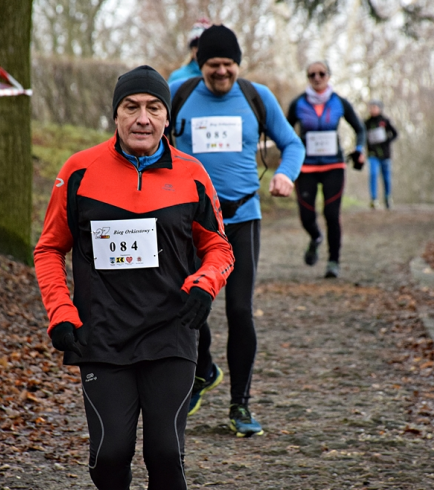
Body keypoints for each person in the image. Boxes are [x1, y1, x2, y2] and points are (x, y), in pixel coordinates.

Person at [33, 65, 234, 490]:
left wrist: (205, 284)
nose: (142, 118)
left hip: (171, 331)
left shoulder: (192, 173)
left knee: (165, 454)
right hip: (103, 336)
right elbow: (49, 248)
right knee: (109, 456)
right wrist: (61, 311)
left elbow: (219, 247)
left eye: (153, 108)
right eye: (131, 107)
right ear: (116, 114)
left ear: (167, 117)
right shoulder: (78, 171)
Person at [169, 25, 305, 437]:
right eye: (214, 65)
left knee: (240, 310)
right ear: (200, 63)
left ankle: (240, 406)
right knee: (191, 305)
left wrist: (286, 174)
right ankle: (204, 370)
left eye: (229, 64)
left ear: (238, 64)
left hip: (243, 217)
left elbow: (292, 143)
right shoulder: (180, 96)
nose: (222, 72)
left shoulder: (256, 97)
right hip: (191, 220)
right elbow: (157, 147)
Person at [287, 61, 366, 278]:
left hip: (334, 166)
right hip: (306, 168)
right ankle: (315, 237)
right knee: (306, 216)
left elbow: (359, 129)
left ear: (329, 76)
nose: (317, 78)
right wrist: (289, 154)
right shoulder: (298, 104)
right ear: (308, 78)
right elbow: (284, 130)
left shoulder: (339, 102)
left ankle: (333, 261)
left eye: (322, 73)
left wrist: (359, 149)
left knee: (332, 214)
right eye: (312, 74)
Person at [364, 99, 398, 210]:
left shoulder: (385, 121)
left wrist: (386, 140)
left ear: (379, 108)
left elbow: (395, 134)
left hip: (385, 154)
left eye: (375, 107)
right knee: (373, 174)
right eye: (371, 107)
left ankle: (387, 198)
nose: (373, 109)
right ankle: (374, 199)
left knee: (386, 177)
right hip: (372, 154)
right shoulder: (367, 122)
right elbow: (362, 135)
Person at [168, 18, 212, 83]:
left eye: (206, 46)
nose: (202, 50)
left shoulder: (220, 75)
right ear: (192, 49)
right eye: (197, 46)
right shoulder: (177, 78)